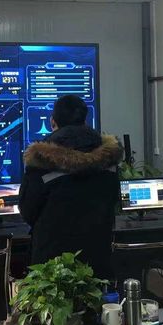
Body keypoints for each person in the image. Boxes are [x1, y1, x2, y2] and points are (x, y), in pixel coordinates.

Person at [18, 94, 122, 278]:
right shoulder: (108, 159)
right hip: (96, 262)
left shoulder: (41, 161)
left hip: (52, 269)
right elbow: (114, 201)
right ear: (84, 120)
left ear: (53, 122)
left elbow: (28, 211)